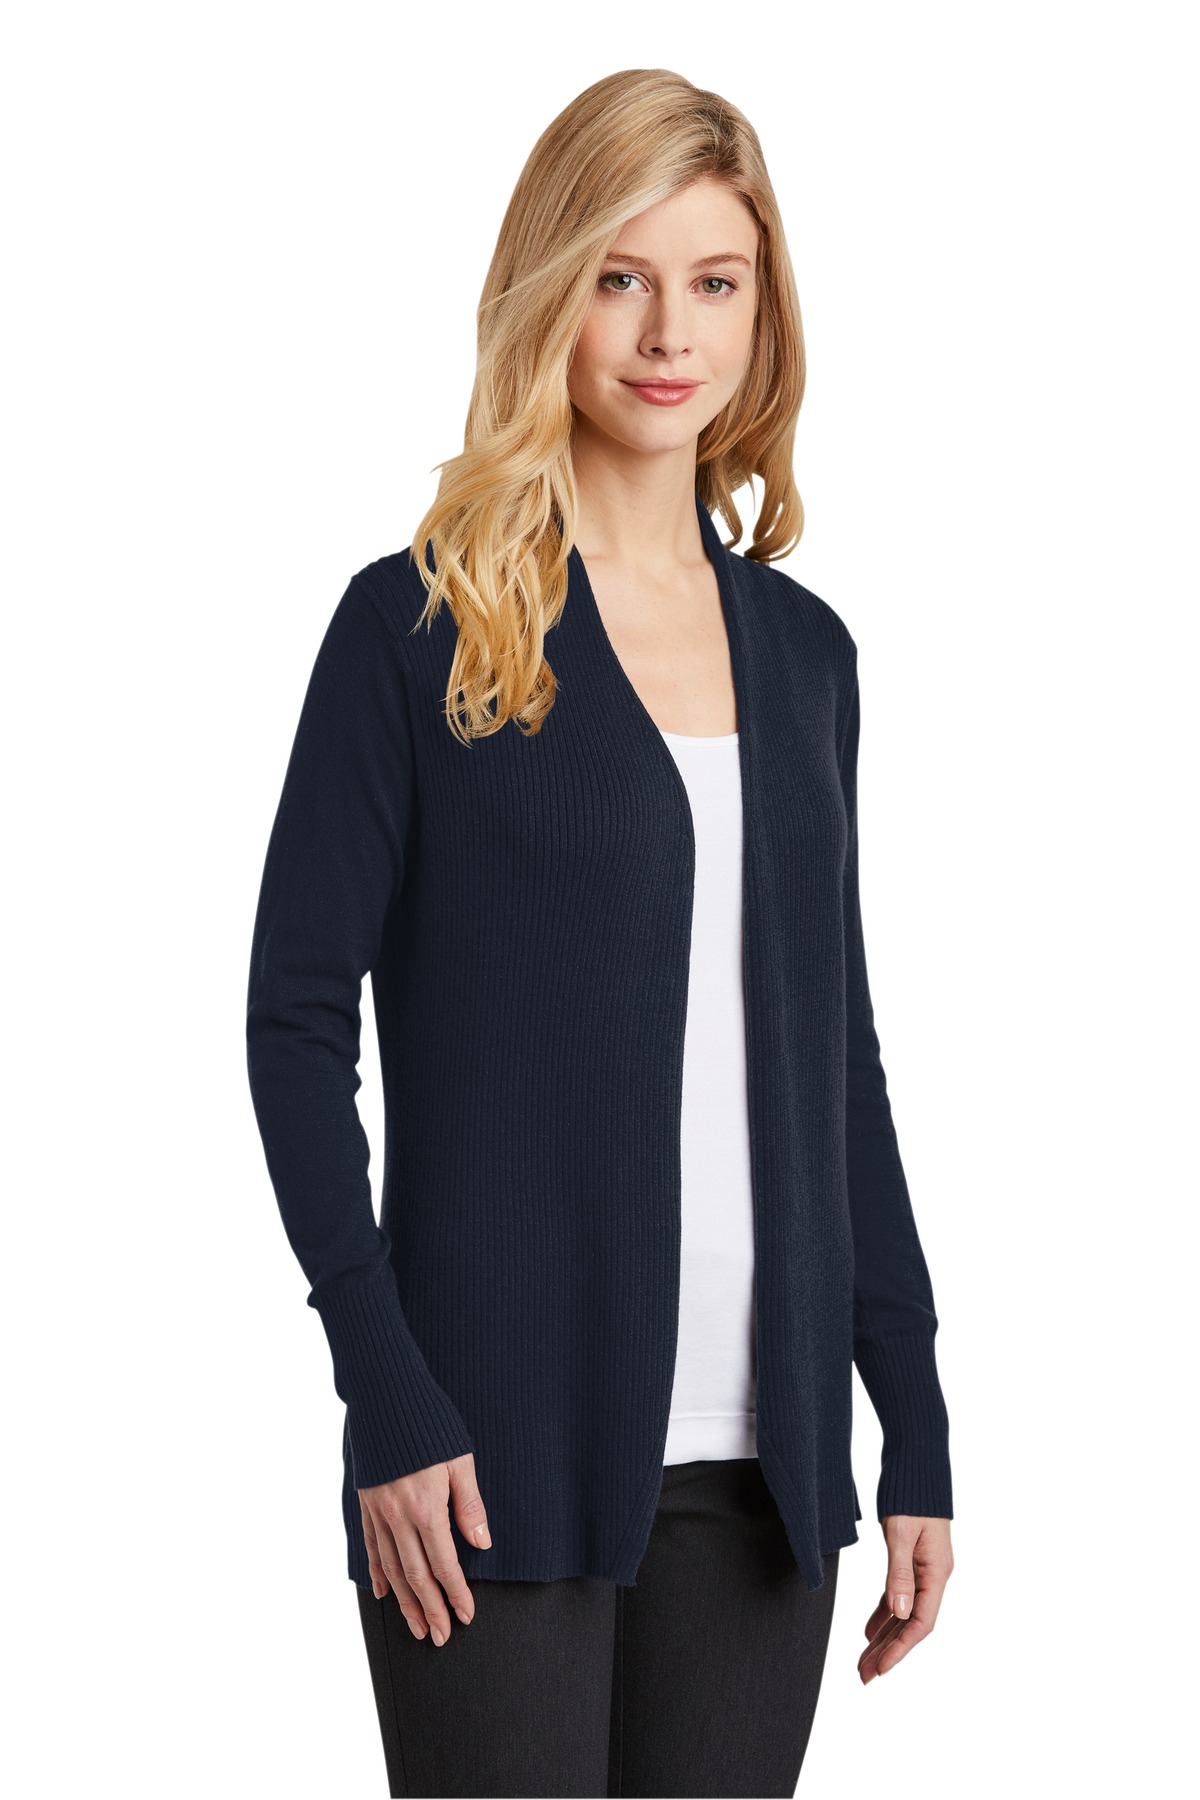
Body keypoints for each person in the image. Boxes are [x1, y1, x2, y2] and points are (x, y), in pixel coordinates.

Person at [245, 67, 955, 1800]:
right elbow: (293, 1022)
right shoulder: (417, 629)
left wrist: (914, 1416)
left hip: (769, 1472)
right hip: (486, 1456)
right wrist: (386, 1387)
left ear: (763, 312)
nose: (666, 332)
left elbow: (834, 1056)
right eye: (620, 277)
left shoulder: (809, 659)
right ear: (549, 292)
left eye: (715, 281)